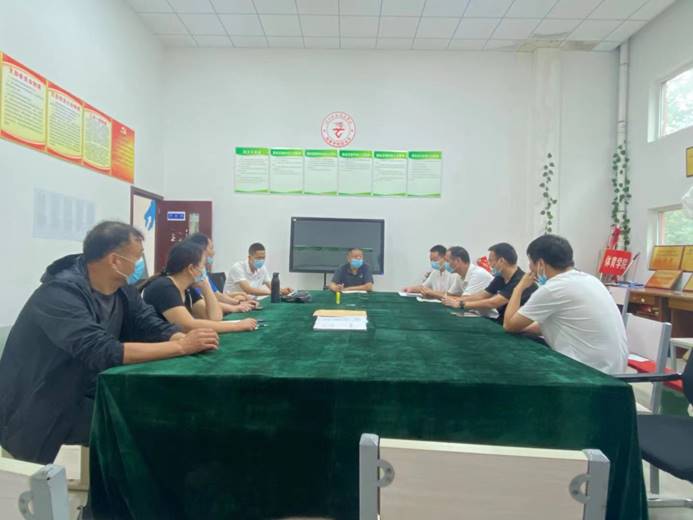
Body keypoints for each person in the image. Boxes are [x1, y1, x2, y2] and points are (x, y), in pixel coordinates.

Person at [0, 221, 220, 464]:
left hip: (89, 386)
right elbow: (101, 350)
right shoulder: (60, 294)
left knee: (157, 405)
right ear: (115, 261)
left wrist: (178, 336)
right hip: (42, 399)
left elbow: (149, 323)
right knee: (137, 422)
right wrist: (182, 346)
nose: (140, 265)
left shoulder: (122, 290)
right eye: (137, 257)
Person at [503, 234, 628, 374]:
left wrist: (519, 287)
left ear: (540, 264)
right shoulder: (591, 280)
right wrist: (523, 327)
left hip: (591, 372)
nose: (529, 268)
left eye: (530, 262)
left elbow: (509, 325)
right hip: (614, 368)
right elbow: (561, 323)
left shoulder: (553, 288)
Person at [142, 241, 257, 333]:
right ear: (191, 269)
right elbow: (187, 325)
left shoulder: (187, 288)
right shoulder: (164, 287)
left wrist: (206, 286)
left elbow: (215, 317)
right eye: (203, 265)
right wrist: (236, 326)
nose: (205, 270)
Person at [445, 242, 537, 324]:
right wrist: (457, 299)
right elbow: (483, 295)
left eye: (491, 260)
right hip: (502, 321)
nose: (489, 264)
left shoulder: (520, 280)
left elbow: (493, 303)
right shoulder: (500, 277)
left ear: (501, 261)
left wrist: (461, 304)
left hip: (520, 327)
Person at [187, 233, 255, 313]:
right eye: (211, 248)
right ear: (201, 250)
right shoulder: (194, 276)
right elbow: (205, 303)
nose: (213, 252)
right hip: (206, 314)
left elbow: (217, 295)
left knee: (240, 297)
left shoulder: (203, 273)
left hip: (213, 312)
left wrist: (238, 303)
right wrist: (235, 307)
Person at [224, 242, 292, 297]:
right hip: (232, 303)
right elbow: (248, 290)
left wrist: (282, 290)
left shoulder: (262, 268)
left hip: (249, 303)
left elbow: (271, 286)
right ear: (249, 257)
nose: (261, 260)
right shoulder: (238, 267)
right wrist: (272, 292)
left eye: (263, 258)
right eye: (258, 258)